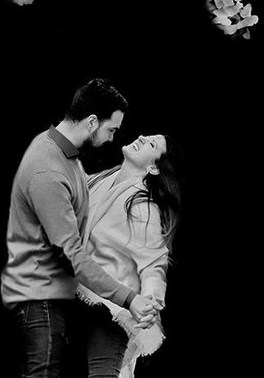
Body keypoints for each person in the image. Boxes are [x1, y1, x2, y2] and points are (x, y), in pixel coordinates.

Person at [1, 79, 161, 378]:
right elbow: (71, 254)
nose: (113, 139)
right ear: (91, 122)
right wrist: (129, 297)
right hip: (39, 296)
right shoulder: (49, 168)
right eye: (111, 129)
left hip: (59, 297)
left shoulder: (67, 159)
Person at [78, 133, 186, 378]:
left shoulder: (143, 205)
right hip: (82, 296)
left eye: (151, 143)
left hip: (114, 310)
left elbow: (154, 258)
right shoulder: (103, 179)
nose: (141, 137)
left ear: (154, 168)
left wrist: (151, 299)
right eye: (147, 136)